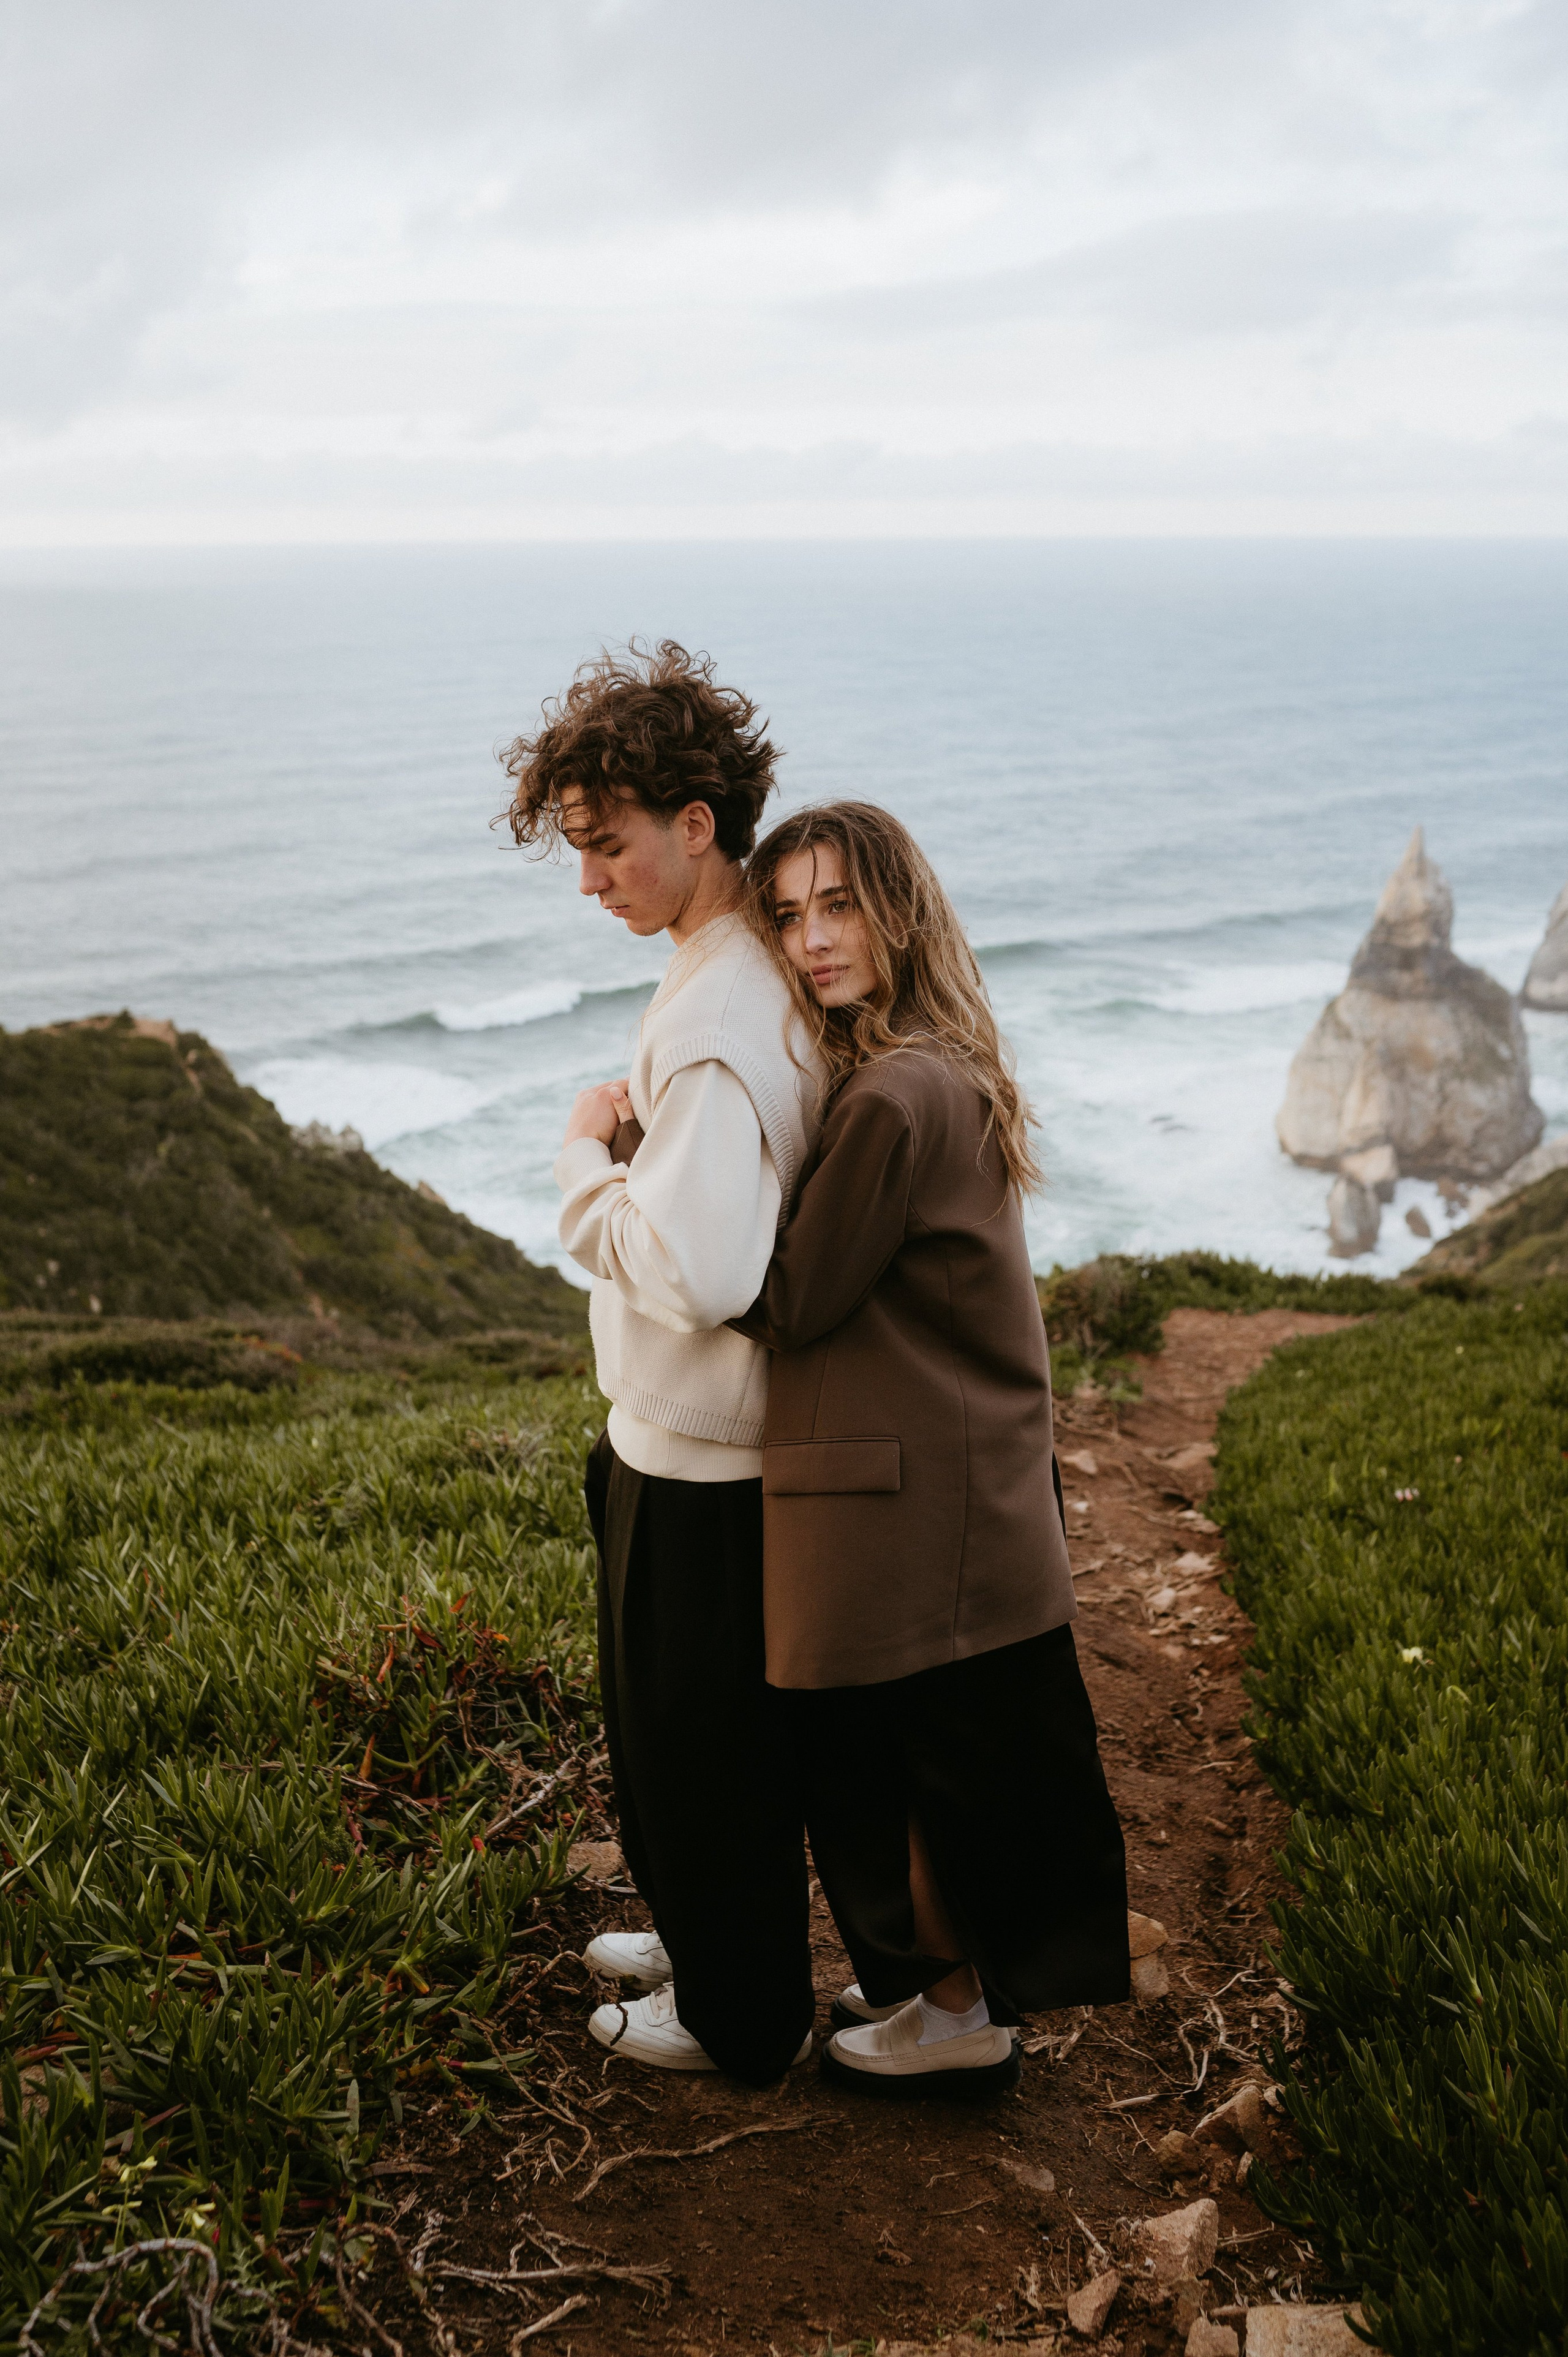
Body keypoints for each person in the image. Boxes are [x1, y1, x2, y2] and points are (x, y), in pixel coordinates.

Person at [731, 800, 1130, 2098]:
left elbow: (788, 1295)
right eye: (785, 914)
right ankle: (946, 1988)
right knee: (937, 1759)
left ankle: (959, 2012)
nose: (808, 939)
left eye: (834, 904)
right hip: (961, 1478)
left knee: (925, 1769)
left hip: (921, 1496)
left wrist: (638, 1193)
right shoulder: (935, 1058)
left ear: (895, 908)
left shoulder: (891, 1096)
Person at [505, 641, 820, 2083]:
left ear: (697, 821)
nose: (587, 881)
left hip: (700, 1454)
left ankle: (734, 2012)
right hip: (707, 1439)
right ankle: (706, 1942)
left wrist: (583, 1162)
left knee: (698, 1752)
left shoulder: (711, 1013)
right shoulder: (737, 961)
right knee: (692, 1743)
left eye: (604, 844)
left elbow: (702, 1269)